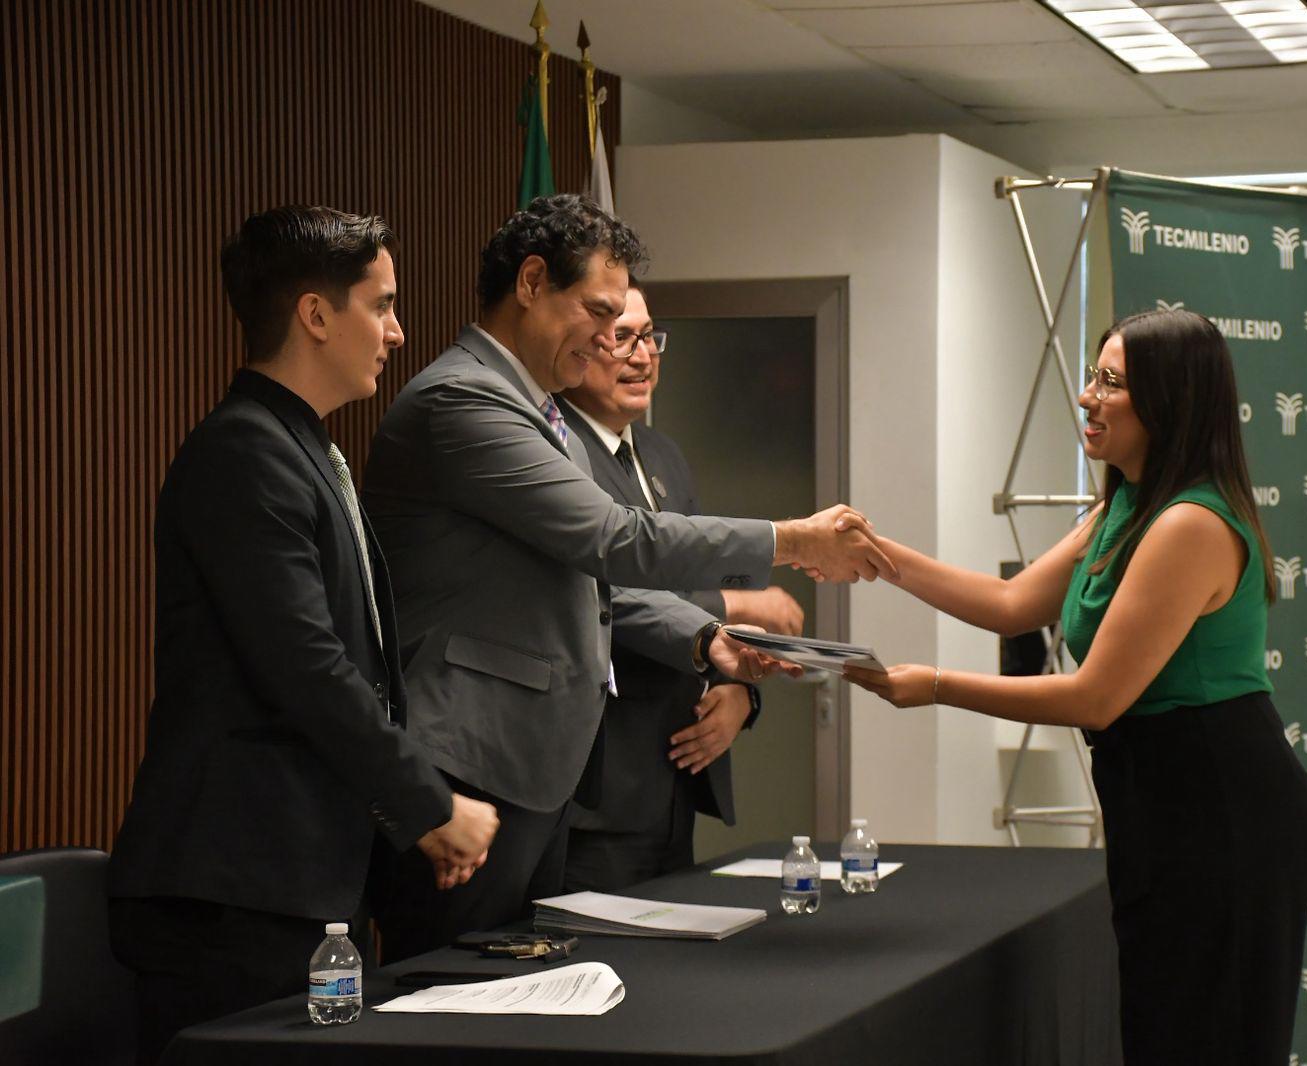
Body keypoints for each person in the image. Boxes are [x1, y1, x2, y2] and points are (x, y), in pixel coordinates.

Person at [363, 194, 889, 960]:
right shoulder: (465, 398)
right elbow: (613, 538)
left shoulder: (532, 406)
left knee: (521, 1000)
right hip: (469, 765)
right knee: (453, 1001)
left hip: (533, 773)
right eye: (600, 311)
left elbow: (591, 576)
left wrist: (707, 637)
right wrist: (792, 538)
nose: (612, 338)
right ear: (534, 282)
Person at [844, 308, 1307, 1065]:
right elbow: (1011, 604)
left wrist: (934, 685)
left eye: (1112, 383)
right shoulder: (1124, 505)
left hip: (1226, 816)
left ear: (1169, 403)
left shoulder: (1188, 525)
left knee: (1204, 1040)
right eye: (1092, 376)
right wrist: (878, 555)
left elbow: (1095, 698)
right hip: (1162, 804)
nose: (1086, 397)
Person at [106, 206, 499, 1064]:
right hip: (229, 888)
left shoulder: (304, 446)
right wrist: (427, 803)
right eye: (382, 304)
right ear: (317, 316)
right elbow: (307, 667)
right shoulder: (244, 453)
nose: (398, 330)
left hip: (296, 878)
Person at [557, 281, 806, 891]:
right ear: (580, 344)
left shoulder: (662, 455)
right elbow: (600, 592)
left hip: (674, 777)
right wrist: (741, 602)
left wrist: (739, 693)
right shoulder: (553, 449)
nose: (642, 356)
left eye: (650, 337)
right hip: (596, 790)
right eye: (622, 338)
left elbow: (690, 592)